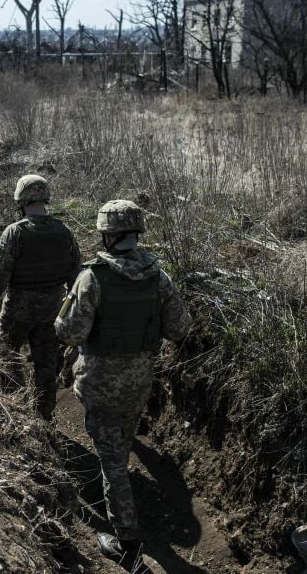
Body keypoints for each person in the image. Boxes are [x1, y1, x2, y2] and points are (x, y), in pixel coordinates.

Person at [54, 199, 192, 559]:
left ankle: (127, 542)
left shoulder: (92, 278)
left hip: (99, 385)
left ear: (106, 235)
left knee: (112, 462)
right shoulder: (158, 276)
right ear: (136, 233)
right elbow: (180, 328)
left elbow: (69, 333)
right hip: (140, 383)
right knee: (120, 443)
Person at [0, 174, 81, 420]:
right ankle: (44, 414)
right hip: (53, 309)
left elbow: (0, 271)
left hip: (18, 307)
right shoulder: (65, 231)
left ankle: (11, 407)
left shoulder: (14, 232)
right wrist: (70, 305)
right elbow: (76, 274)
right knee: (47, 365)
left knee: (7, 355)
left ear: (21, 200)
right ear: (45, 198)